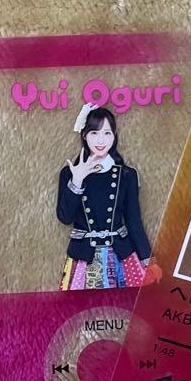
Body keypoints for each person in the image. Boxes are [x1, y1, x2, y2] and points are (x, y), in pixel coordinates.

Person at [57, 104, 154, 290]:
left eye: (107, 133)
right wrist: (77, 181)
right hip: (84, 257)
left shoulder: (127, 175)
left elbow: (134, 221)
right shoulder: (69, 173)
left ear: (114, 136)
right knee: (85, 306)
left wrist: (149, 260)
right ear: (84, 135)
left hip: (122, 256)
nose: (101, 140)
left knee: (126, 305)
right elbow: (65, 217)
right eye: (94, 133)